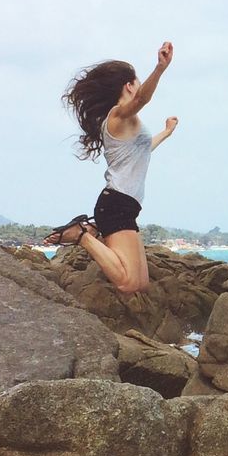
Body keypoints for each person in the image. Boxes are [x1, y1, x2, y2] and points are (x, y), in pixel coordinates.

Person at [43, 41, 178, 295]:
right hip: (115, 204)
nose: (138, 86)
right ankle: (82, 234)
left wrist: (167, 133)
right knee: (126, 283)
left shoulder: (128, 122)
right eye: (136, 81)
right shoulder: (117, 116)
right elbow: (142, 98)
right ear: (128, 85)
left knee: (141, 284)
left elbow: (143, 150)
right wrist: (160, 69)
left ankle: (92, 230)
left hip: (126, 207)